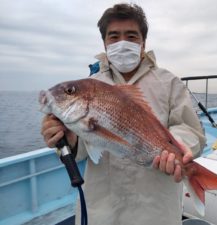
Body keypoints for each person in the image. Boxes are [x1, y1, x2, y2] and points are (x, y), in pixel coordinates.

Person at [41, 3, 206, 225]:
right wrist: (71, 141)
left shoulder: (169, 82)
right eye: (114, 36)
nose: (122, 43)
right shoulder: (93, 85)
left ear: (143, 42)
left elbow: (189, 129)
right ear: (105, 43)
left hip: (156, 210)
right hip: (102, 209)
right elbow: (84, 151)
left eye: (131, 36)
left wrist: (178, 147)